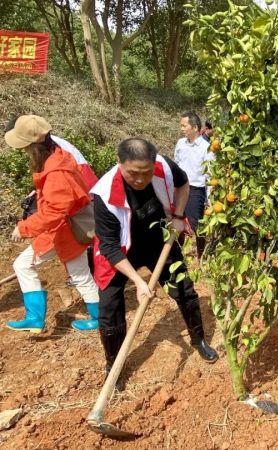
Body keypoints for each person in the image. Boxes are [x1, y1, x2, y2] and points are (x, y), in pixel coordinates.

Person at [91, 138, 218, 388]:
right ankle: (114, 364)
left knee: (184, 290)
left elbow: (183, 185)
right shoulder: (104, 194)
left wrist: (179, 216)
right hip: (121, 249)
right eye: (133, 174)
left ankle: (199, 339)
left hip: (158, 241)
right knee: (108, 308)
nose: (140, 179)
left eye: (146, 173)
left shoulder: (163, 166)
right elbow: (108, 246)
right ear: (119, 163)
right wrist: (139, 282)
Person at [4, 115, 100, 333]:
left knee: (23, 265)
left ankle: (35, 318)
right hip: (66, 229)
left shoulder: (56, 169)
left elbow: (55, 211)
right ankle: (98, 317)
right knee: (80, 274)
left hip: (62, 231)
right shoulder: (57, 157)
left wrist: (24, 228)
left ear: (32, 145)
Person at [174, 112, 215, 258]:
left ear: (195, 127)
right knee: (177, 221)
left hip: (195, 191)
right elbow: (176, 165)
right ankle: (177, 255)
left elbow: (210, 174)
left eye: (184, 126)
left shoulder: (206, 148)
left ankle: (201, 256)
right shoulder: (180, 144)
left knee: (197, 225)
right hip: (179, 189)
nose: (182, 129)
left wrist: (209, 198)